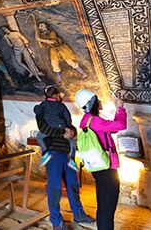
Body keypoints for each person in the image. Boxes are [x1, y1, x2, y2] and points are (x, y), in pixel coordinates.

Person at [34, 85, 95, 229]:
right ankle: (57, 222)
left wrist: (72, 131)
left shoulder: (61, 108)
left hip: (68, 153)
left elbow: (70, 126)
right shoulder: (41, 110)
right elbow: (44, 129)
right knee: (54, 188)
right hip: (52, 153)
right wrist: (64, 132)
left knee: (72, 185)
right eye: (59, 95)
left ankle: (79, 214)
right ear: (56, 95)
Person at [75, 89, 127, 230]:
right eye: (97, 100)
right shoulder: (96, 121)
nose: (100, 102)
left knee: (103, 204)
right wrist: (120, 108)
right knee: (108, 207)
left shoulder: (86, 120)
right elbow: (121, 126)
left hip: (97, 166)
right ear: (92, 103)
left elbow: (112, 129)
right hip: (106, 167)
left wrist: (117, 110)